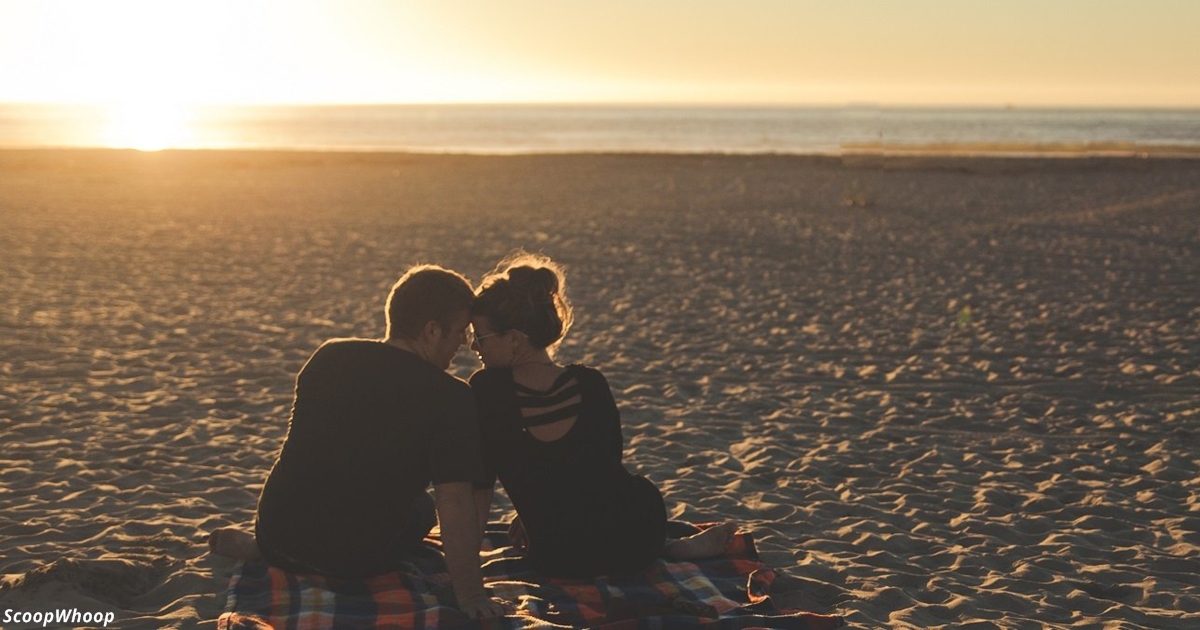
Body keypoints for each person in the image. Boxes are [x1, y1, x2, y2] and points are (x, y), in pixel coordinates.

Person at [209, 265, 507, 619]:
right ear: (431, 331)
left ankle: (260, 550)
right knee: (424, 508)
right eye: (459, 332)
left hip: (275, 532)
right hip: (351, 558)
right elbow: (454, 503)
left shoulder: (329, 356)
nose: (464, 343)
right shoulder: (451, 397)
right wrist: (470, 595)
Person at [468, 252, 736, 579]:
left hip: (557, 556)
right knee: (635, 492)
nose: (473, 347)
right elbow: (599, 471)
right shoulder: (589, 382)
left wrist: (468, 572)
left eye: (479, 336)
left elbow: (481, 487)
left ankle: (668, 549)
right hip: (632, 542)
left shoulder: (486, 391)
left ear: (513, 339)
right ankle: (666, 548)